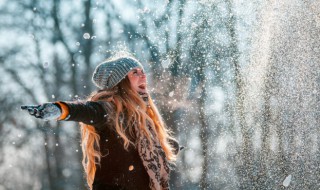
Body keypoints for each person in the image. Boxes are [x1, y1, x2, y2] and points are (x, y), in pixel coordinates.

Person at [21, 56, 180, 190]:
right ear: (121, 81)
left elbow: (139, 150)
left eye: (143, 71)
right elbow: (86, 110)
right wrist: (60, 109)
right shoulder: (110, 110)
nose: (143, 76)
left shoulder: (144, 119)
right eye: (135, 72)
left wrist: (165, 146)